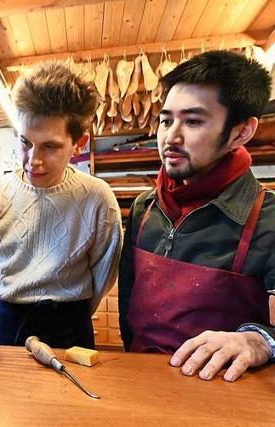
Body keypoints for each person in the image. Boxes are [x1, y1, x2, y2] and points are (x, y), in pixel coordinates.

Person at [118, 50, 275, 381]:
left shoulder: (268, 219)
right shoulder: (145, 208)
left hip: (223, 396)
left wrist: (258, 340)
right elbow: (128, 309)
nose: (171, 137)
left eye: (192, 121)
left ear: (241, 132)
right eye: (165, 120)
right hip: (141, 385)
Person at [0, 62, 122, 348]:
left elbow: (103, 274)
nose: (33, 159)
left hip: (69, 325)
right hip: (5, 320)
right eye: (25, 142)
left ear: (79, 143)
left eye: (50, 146)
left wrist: (69, 311)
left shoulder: (98, 198)